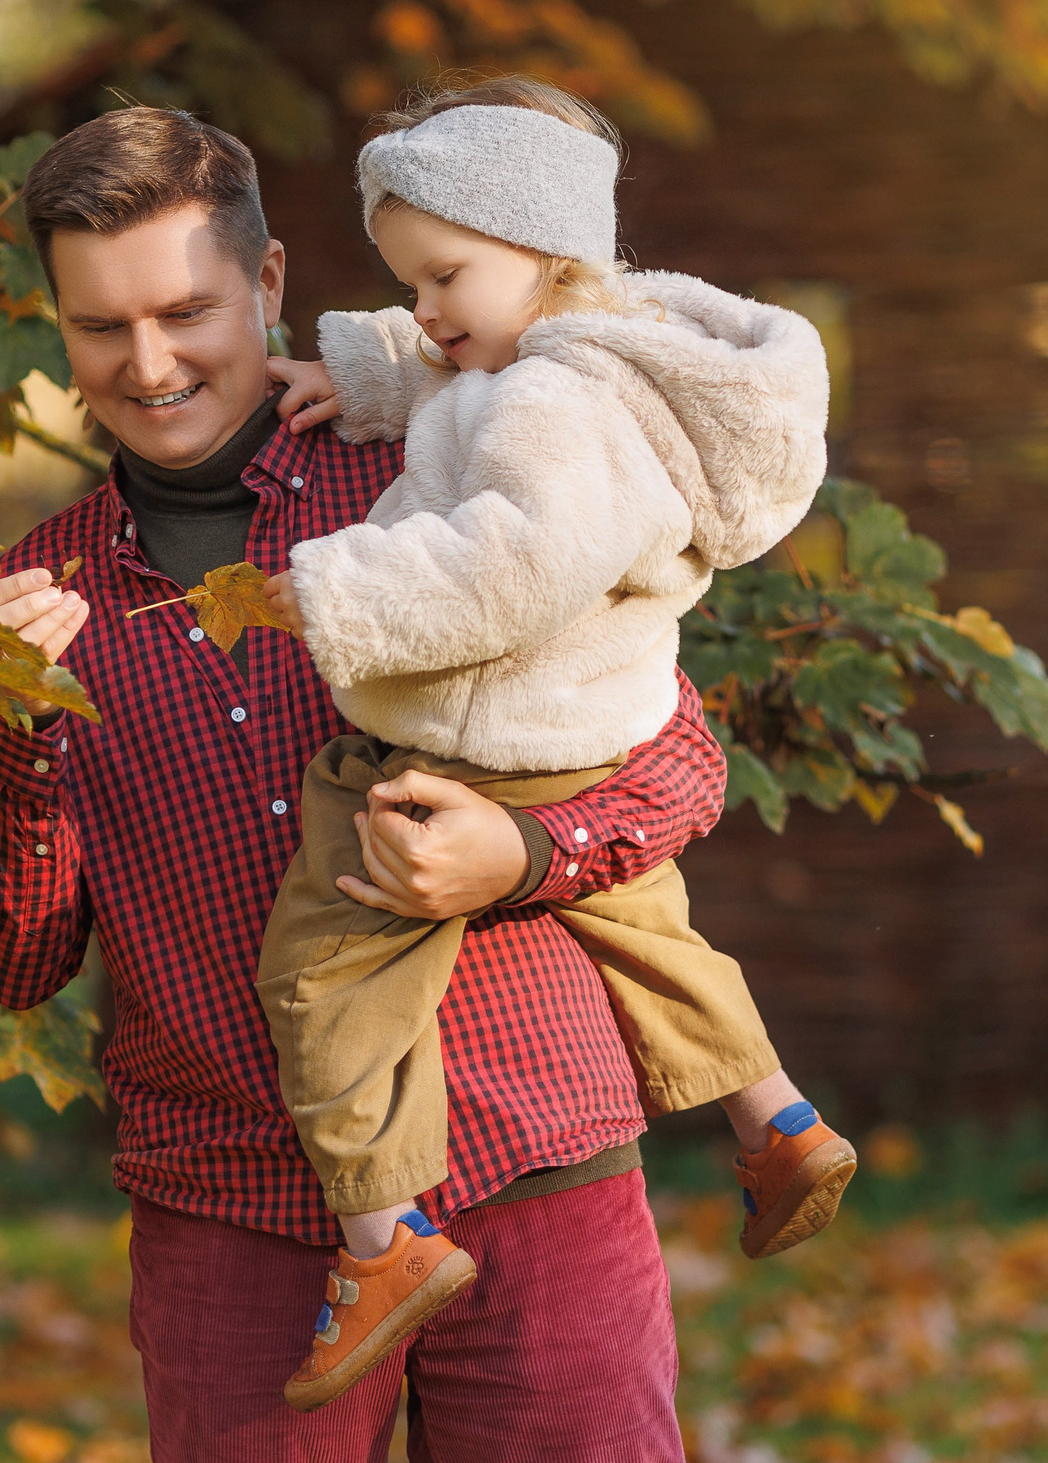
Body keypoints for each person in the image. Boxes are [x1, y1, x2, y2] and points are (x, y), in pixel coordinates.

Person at [0, 104, 727, 1460]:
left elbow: (678, 755)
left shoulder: (441, 469)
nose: (149, 361)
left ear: (270, 284)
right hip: (235, 1213)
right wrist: (5, 737)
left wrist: (525, 856)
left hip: (529, 1152)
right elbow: (12, 961)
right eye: (99, 327)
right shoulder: (37, 597)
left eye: (187, 310)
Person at [251, 77, 855, 1411]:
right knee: (648, 926)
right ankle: (779, 1120)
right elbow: (477, 364)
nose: (426, 312)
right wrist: (360, 374)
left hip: (489, 744)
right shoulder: (610, 348)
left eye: (442, 277)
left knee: (324, 962)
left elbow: (523, 557)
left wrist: (345, 587)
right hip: (592, 736)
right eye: (411, 285)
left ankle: (383, 1239)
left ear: (543, 247)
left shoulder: (550, 410)